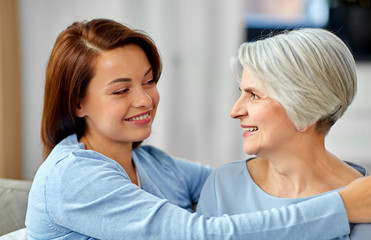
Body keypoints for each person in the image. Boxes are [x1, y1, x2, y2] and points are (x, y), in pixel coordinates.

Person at [25, 19, 371, 240]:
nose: (145, 100)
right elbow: (200, 236)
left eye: (149, 81)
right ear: (78, 104)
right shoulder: (73, 177)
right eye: (121, 90)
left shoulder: (155, 166)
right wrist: (342, 206)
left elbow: (239, 182)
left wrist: (324, 169)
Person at [196, 28, 371, 239]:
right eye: (241, 92)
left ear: (305, 111)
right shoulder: (223, 185)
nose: (234, 111)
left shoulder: (365, 202)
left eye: (254, 95)